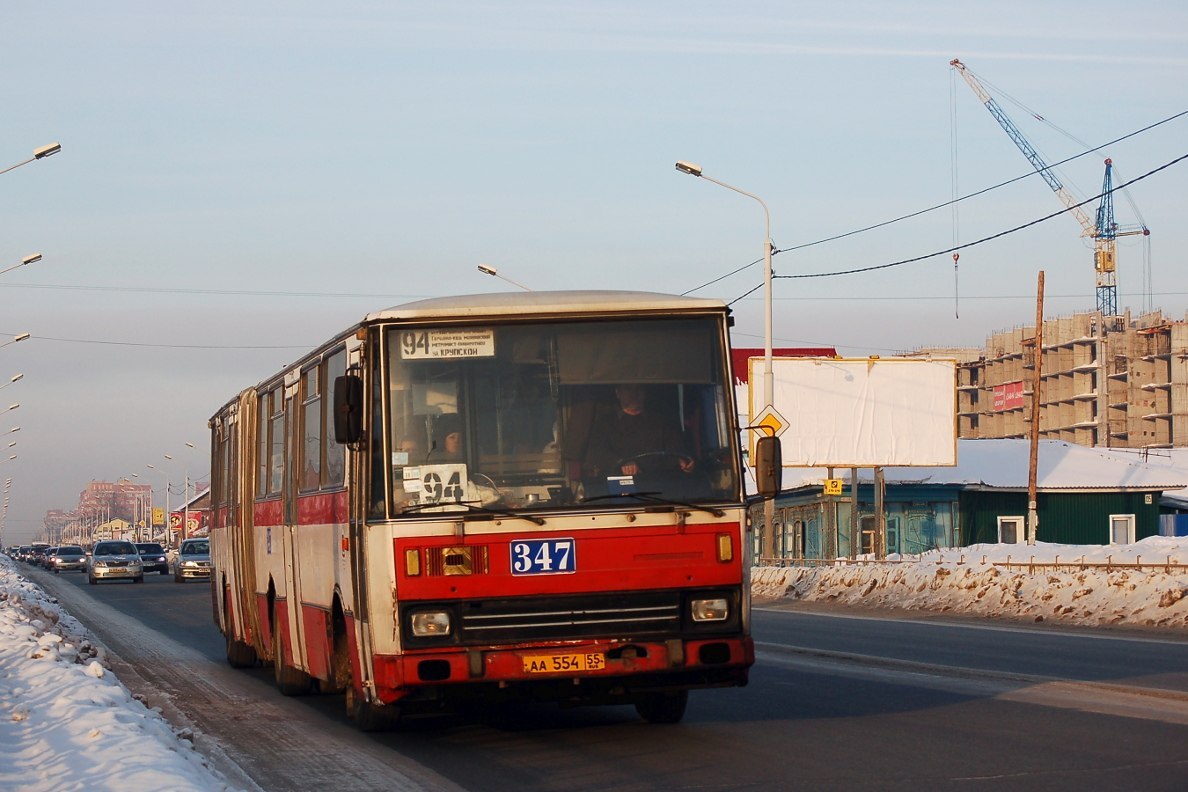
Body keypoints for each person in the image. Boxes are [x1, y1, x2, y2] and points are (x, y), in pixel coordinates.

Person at [584, 384, 693, 482]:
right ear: (618, 393)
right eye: (628, 389)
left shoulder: (661, 423)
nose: (634, 394)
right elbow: (596, 454)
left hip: (658, 484)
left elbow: (675, 450)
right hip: (619, 485)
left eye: (639, 389)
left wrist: (683, 461)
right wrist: (621, 462)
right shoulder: (605, 424)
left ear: (644, 393)